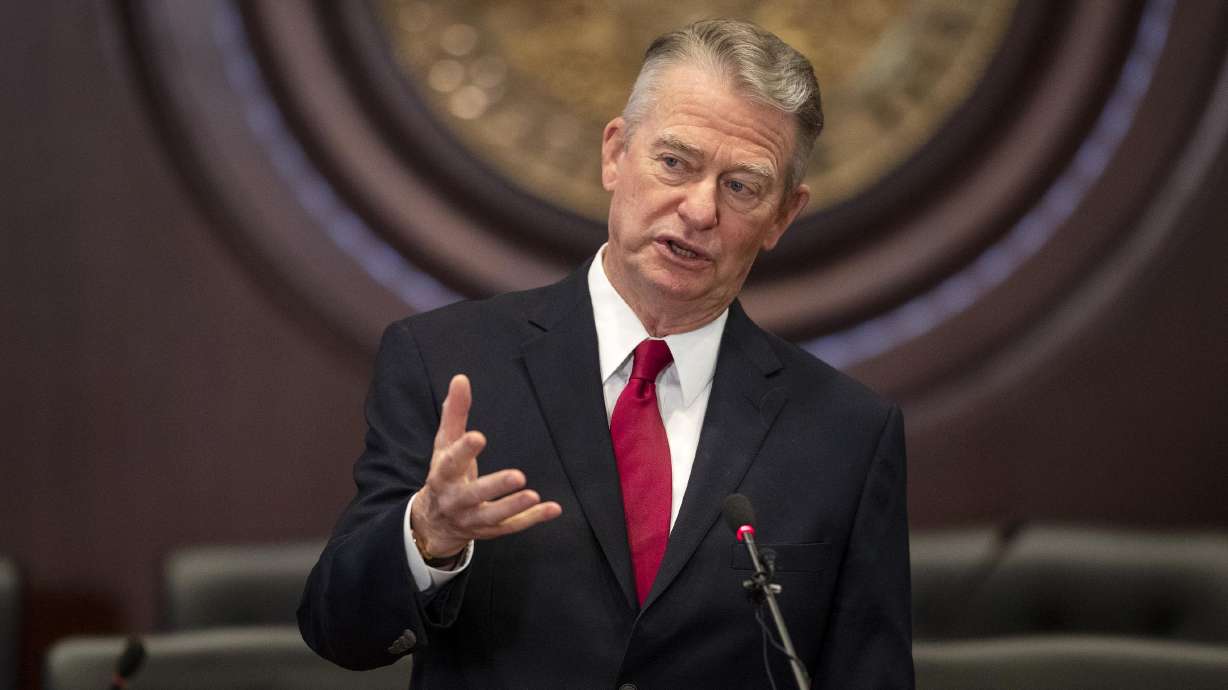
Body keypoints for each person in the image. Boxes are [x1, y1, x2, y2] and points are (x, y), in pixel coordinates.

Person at [299, 18, 913, 689]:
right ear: (616, 154)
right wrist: (427, 535)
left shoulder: (845, 434)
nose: (700, 209)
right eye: (675, 162)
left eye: (742, 186)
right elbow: (339, 631)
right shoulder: (443, 360)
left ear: (782, 217)